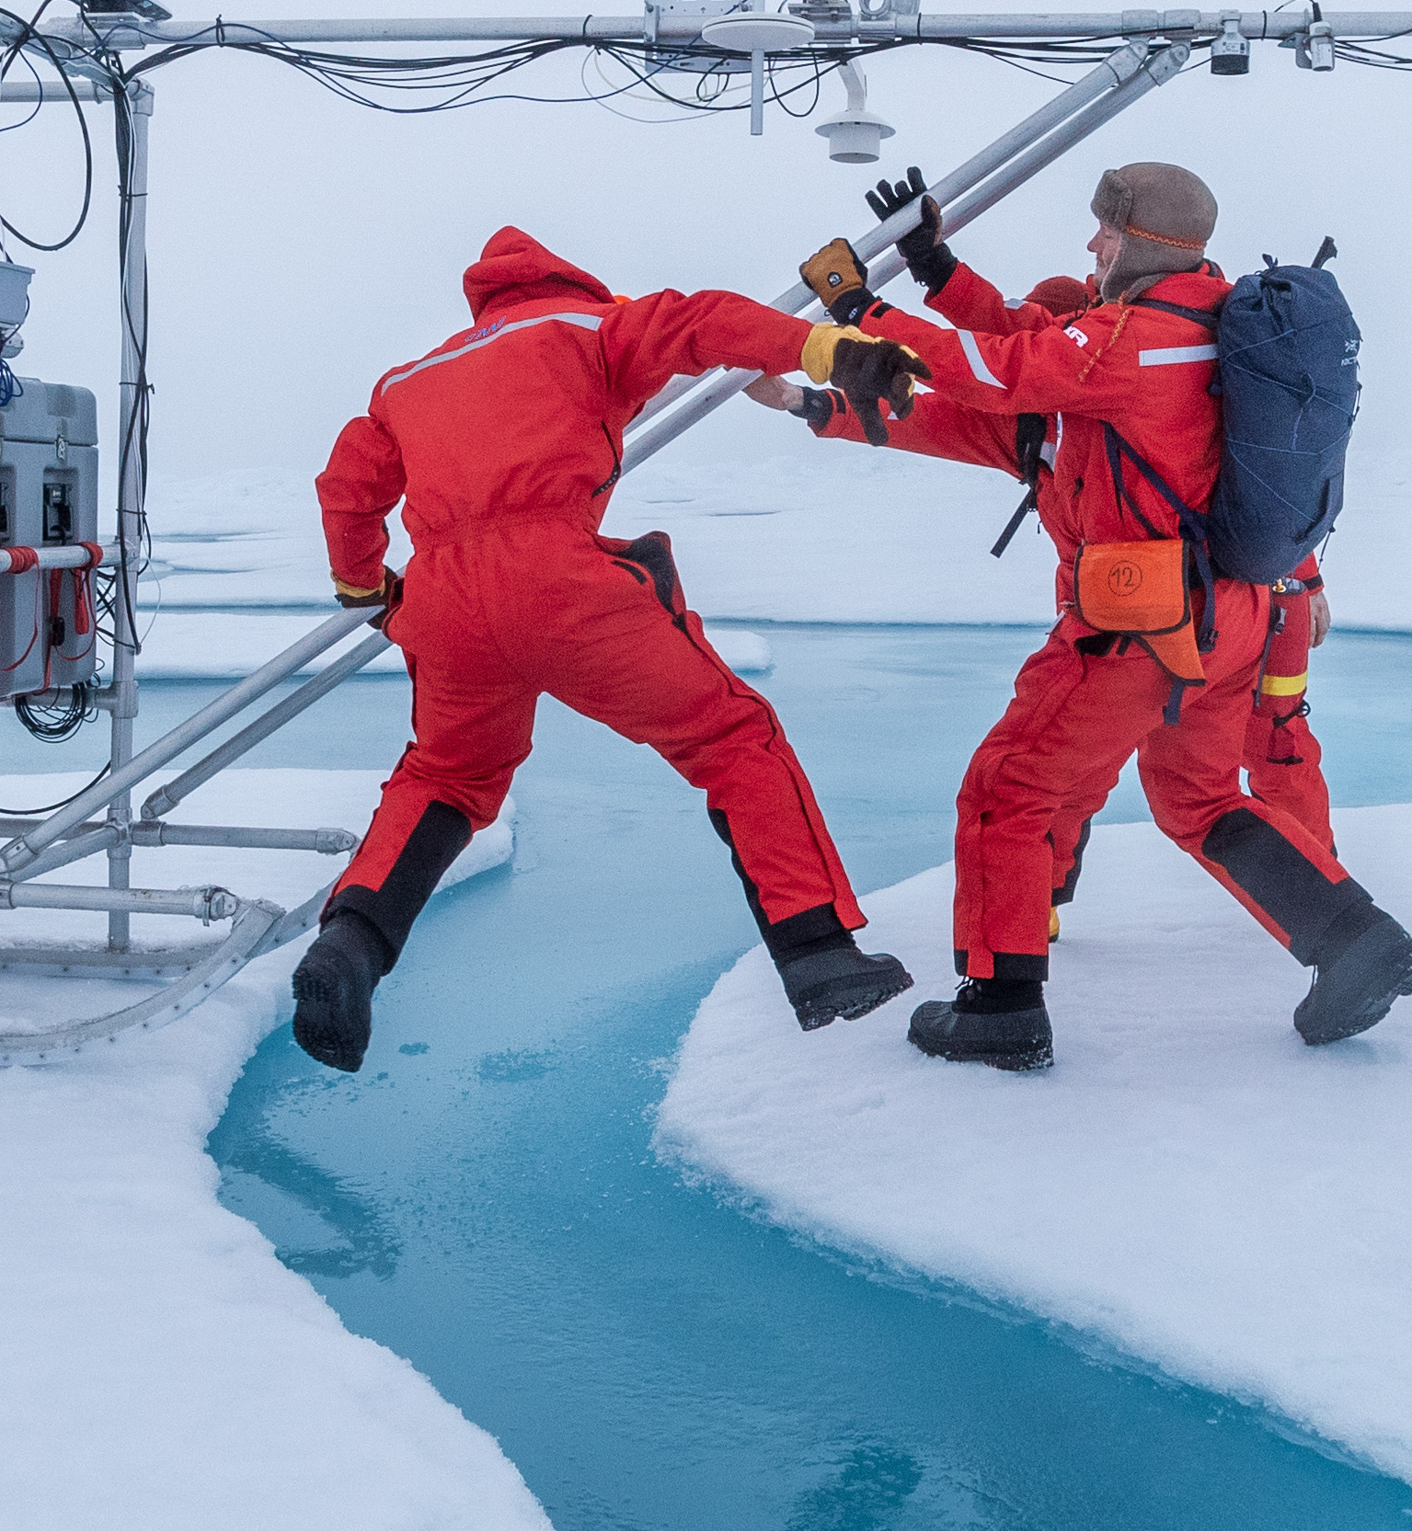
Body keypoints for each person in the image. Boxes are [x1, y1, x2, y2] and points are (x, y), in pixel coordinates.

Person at [752, 161, 1412, 1072]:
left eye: (1104, 232)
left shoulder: (1123, 345)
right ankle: (1357, 940)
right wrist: (910, 289)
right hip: (1229, 618)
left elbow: (997, 364)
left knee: (1006, 789)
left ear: (1141, 244)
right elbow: (975, 391)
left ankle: (1000, 1005)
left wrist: (862, 313)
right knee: (1199, 797)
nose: (1091, 246)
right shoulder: (1196, 327)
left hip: (1139, 623)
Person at [292, 226, 934, 1071]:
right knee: (731, 738)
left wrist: (369, 594)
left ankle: (351, 945)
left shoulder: (410, 379)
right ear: (563, 278)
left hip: (443, 598)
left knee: (446, 776)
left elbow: (348, 487)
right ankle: (819, 957)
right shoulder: (591, 327)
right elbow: (703, 320)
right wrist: (824, 345)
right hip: (557, 574)